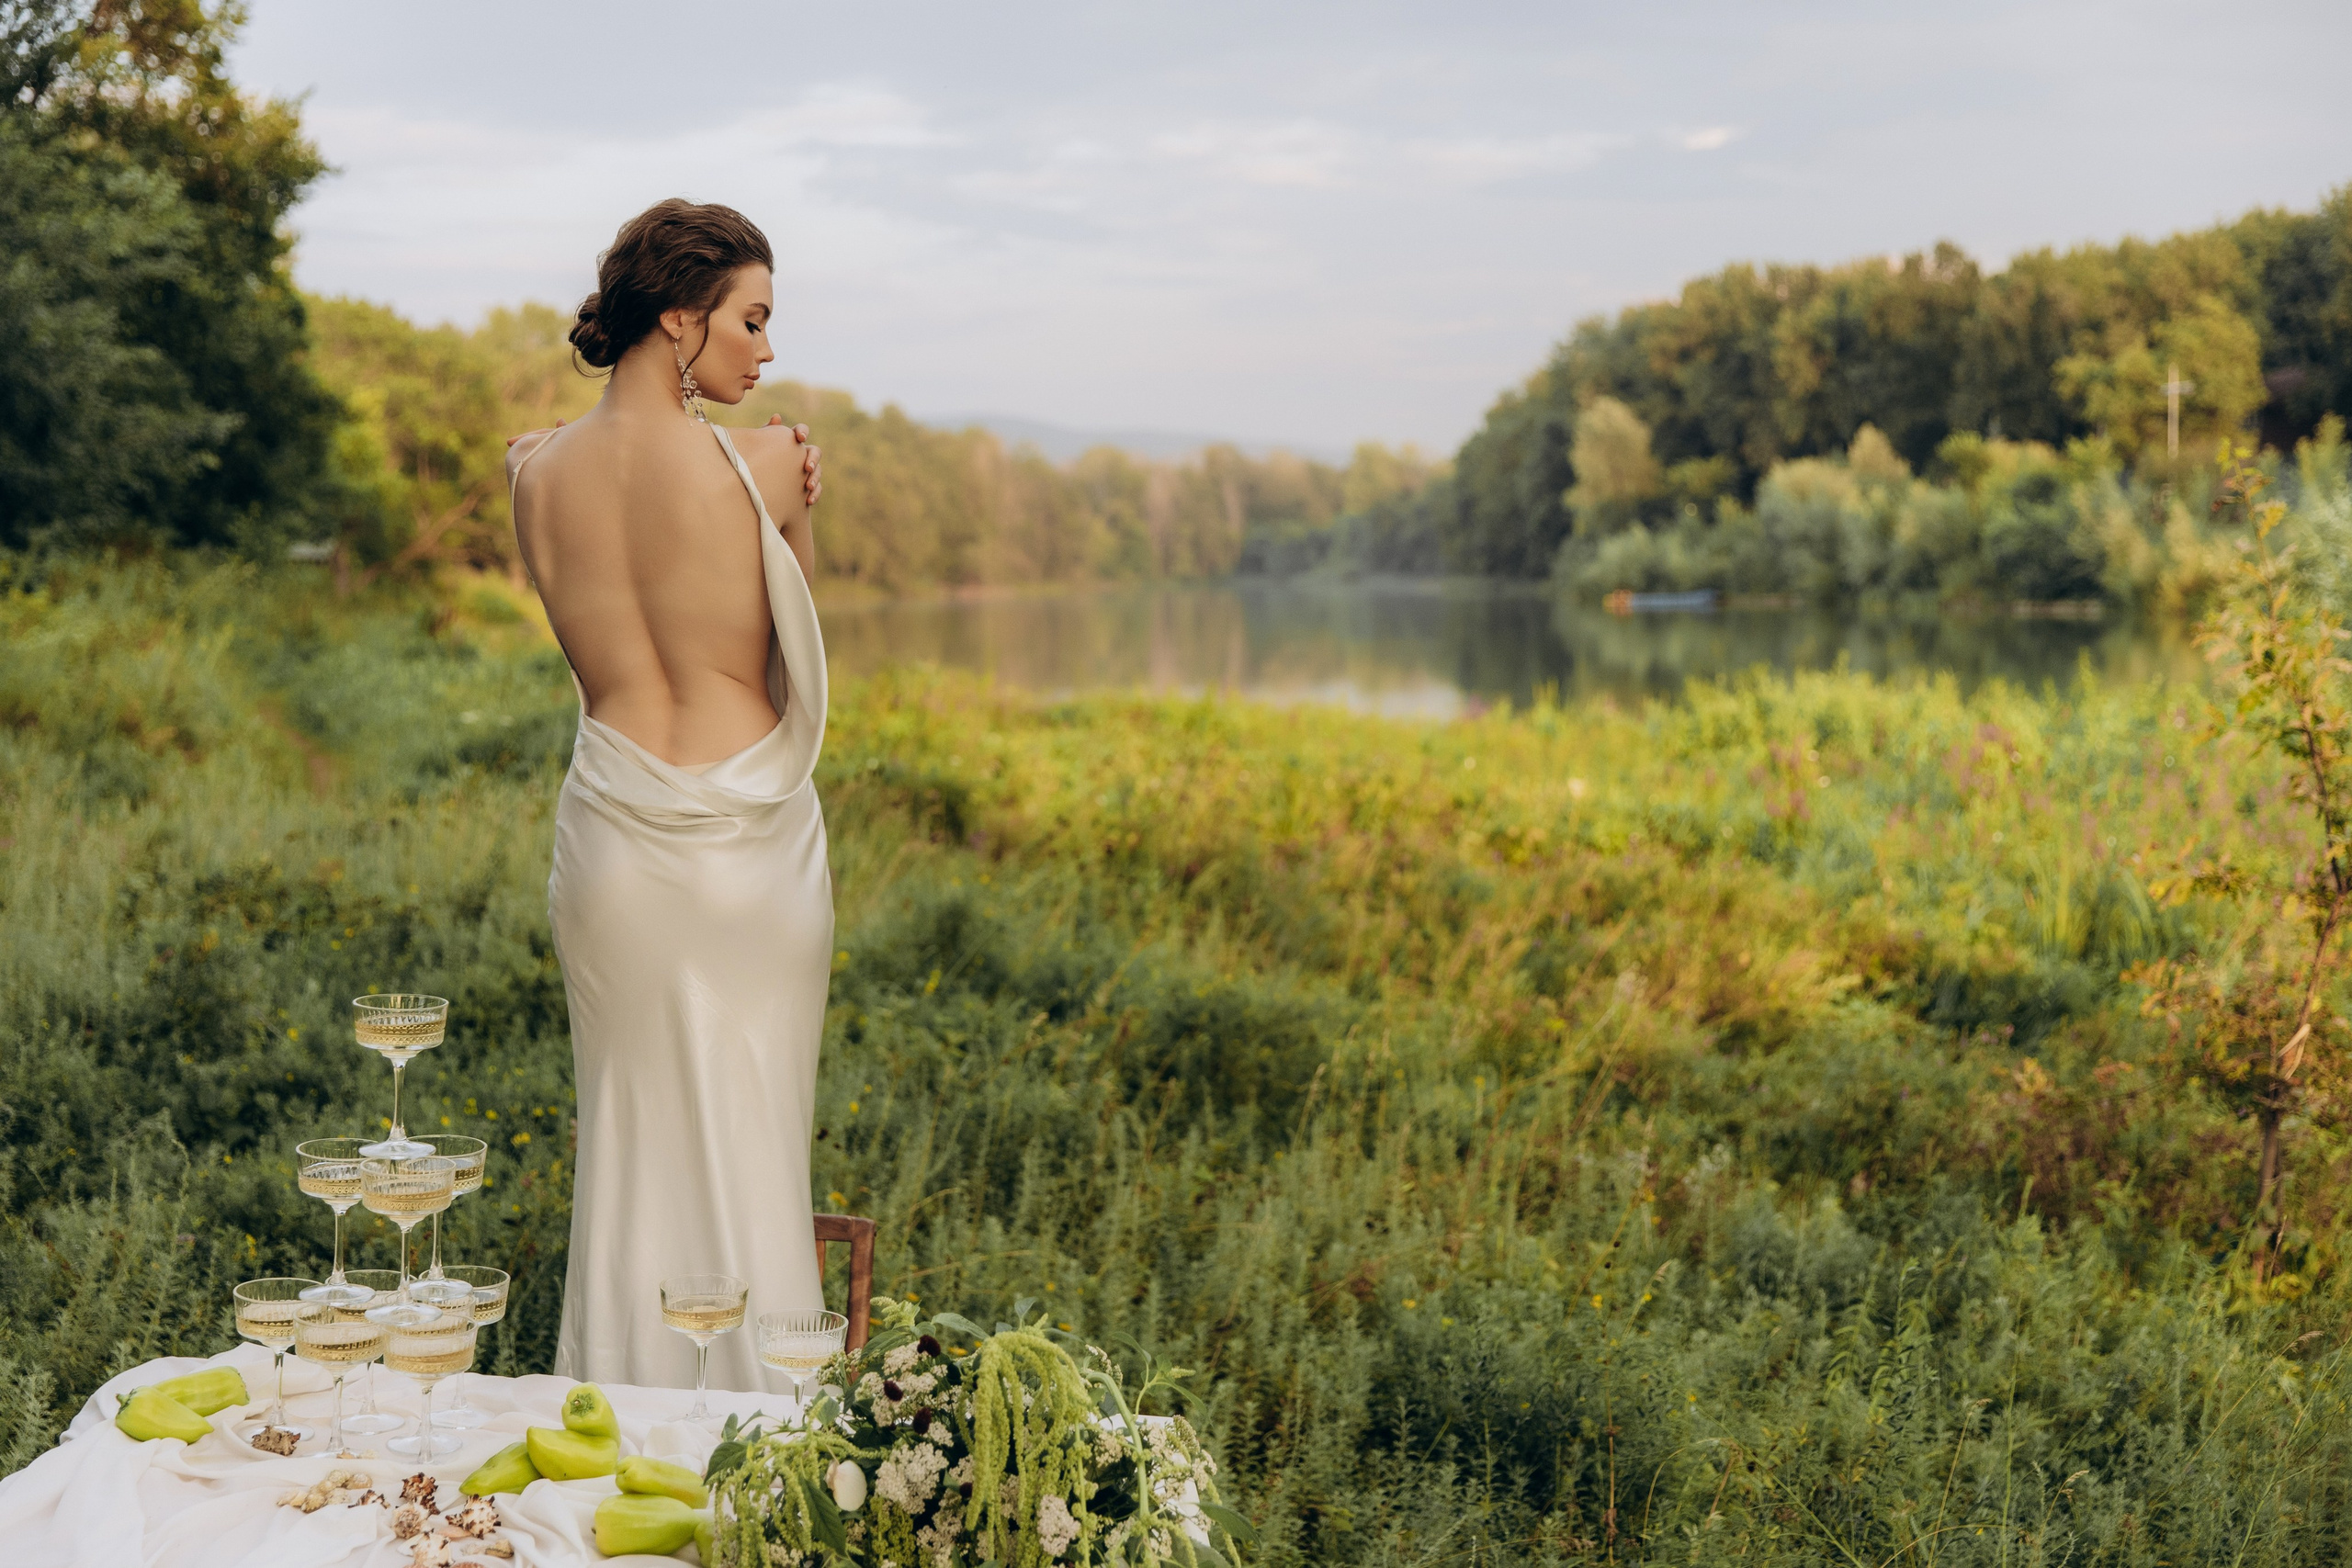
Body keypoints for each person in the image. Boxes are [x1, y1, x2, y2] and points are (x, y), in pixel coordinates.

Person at [505, 198, 831, 1393]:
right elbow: (796, 660)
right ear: (683, 317)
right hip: (753, 849)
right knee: (757, 1152)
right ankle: (770, 1449)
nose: (765, 347)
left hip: (613, 847)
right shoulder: (770, 462)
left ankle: (618, 1422)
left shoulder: (531, 471)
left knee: (629, 1151)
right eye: (751, 318)